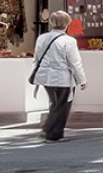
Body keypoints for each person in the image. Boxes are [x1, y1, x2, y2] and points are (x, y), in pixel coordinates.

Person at [31, 10, 88, 142]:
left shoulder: (41, 38)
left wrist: (36, 73)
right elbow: (75, 62)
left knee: (55, 103)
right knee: (62, 105)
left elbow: (37, 58)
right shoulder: (69, 41)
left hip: (46, 77)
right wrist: (82, 79)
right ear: (67, 23)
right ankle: (54, 133)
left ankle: (48, 128)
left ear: (51, 22)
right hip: (63, 77)